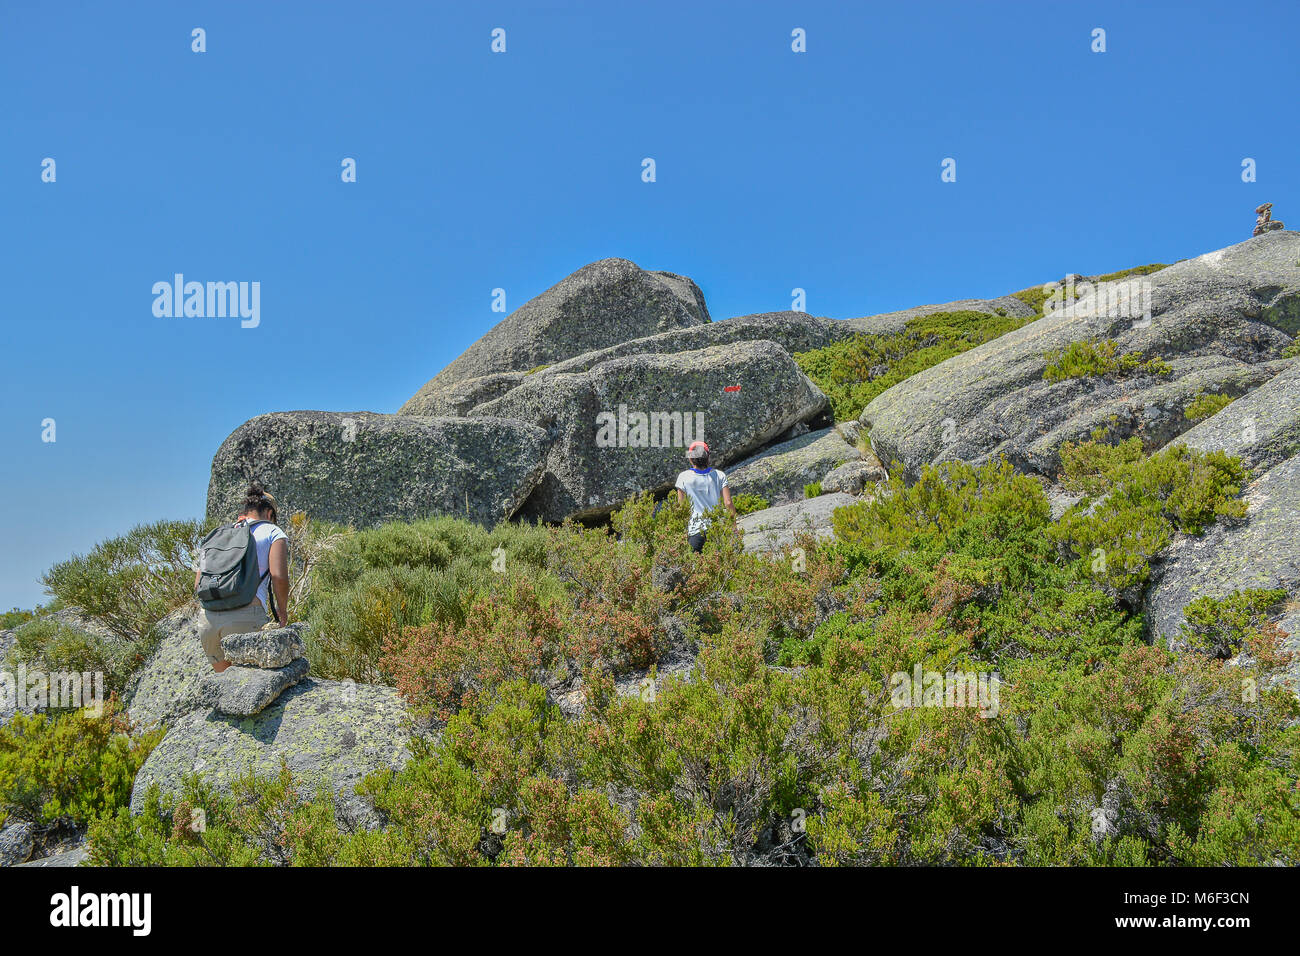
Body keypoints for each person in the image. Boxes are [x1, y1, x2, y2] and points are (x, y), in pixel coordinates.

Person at [194, 481, 290, 672]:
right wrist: (282, 609)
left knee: (227, 688)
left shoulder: (218, 535)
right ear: (270, 514)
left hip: (208, 622)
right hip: (246, 618)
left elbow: (198, 583)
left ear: (246, 510)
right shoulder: (272, 531)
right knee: (252, 688)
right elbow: (279, 576)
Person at [674, 441, 735, 553]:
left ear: (691, 458)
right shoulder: (719, 475)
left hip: (695, 530)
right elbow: (728, 503)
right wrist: (733, 526)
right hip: (717, 527)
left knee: (696, 567)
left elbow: (681, 508)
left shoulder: (683, 477)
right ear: (708, 457)